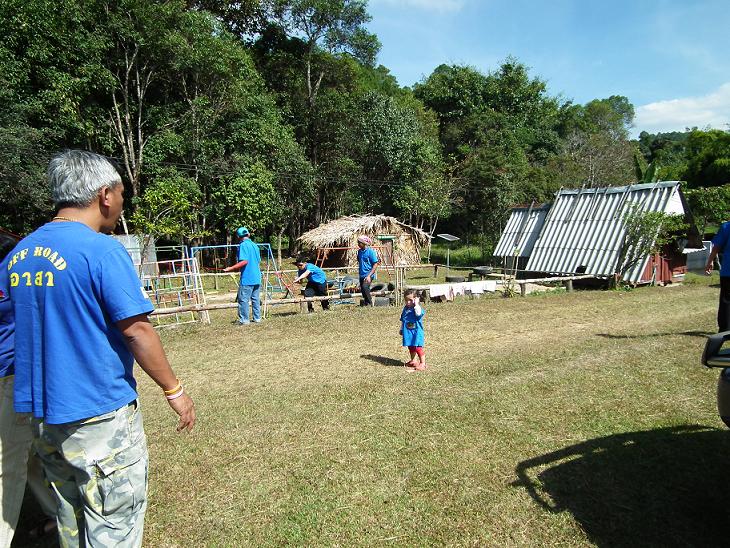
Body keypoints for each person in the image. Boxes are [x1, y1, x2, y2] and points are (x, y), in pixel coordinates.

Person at [1, 150, 196, 547]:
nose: (122, 203)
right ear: (105, 195)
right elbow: (137, 330)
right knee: (113, 526)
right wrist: (174, 390)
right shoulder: (101, 250)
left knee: (70, 520)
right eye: (122, 193)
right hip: (98, 415)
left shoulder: (19, 254)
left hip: (44, 416)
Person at [0, 234, 57, 546]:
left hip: (13, 375)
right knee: (28, 456)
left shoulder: (15, 266)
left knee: (8, 464)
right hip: (15, 375)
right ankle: (59, 512)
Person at [223, 227, 262, 324]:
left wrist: (231, 268)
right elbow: (258, 260)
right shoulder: (255, 245)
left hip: (247, 277)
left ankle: (244, 320)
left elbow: (244, 261)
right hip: (257, 276)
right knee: (255, 299)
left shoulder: (243, 245)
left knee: (243, 299)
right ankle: (257, 318)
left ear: (238, 236)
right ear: (248, 234)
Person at [706, 221, 730, 331]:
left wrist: (710, 261)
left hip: (728, 270)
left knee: (726, 300)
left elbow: (717, 246)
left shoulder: (726, 226)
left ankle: (724, 330)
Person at [400, 289, 426, 372]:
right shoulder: (405, 309)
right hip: (408, 332)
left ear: (415, 299)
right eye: (406, 300)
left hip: (416, 333)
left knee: (418, 348)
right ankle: (413, 361)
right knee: (411, 347)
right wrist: (401, 329)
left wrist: (416, 304)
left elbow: (418, 314)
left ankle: (423, 363)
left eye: (410, 300)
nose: (408, 302)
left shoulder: (417, 308)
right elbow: (403, 319)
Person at [356, 235, 379, 306]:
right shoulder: (359, 252)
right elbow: (359, 260)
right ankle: (366, 303)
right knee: (363, 290)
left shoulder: (370, 252)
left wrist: (369, 276)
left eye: (359, 242)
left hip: (368, 274)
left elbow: (375, 264)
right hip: (361, 274)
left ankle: (370, 303)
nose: (358, 244)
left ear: (364, 243)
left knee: (365, 287)